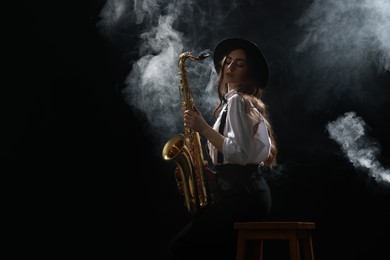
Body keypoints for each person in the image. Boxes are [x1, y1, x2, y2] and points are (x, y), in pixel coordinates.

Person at [166, 37, 278, 260]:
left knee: (180, 248)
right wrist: (214, 177)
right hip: (248, 194)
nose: (230, 67)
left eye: (240, 63)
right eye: (228, 61)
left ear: (249, 73)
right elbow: (239, 156)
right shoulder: (233, 103)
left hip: (244, 198)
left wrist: (203, 128)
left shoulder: (238, 102)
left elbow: (239, 153)